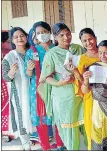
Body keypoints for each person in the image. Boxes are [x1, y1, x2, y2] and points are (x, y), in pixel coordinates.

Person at [37, 23, 84, 150]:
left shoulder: (78, 49)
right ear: (55, 37)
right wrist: (59, 83)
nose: (66, 37)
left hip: (81, 94)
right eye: (61, 35)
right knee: (70, 131)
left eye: (68, 34)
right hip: (64, 97)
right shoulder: (51, 54)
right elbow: (46, 78)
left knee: (85, 126)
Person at [24, 21, 65, 150]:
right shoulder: (32, 52)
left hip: (57, 85)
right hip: (38, 88)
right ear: (35, 35)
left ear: (50, 33)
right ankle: (45, 146)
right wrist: (30, 69)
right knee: (40, 117)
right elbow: (28, 74)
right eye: (39, 33)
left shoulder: (58, 49)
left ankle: (60, 144)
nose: (42, 35)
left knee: (58, 115)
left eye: (45, 32)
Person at [2, 27, 33, 150]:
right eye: (16, 37)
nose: (20, 38)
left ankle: (37, 138)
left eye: (22, 35)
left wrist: (30, 71)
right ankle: (26, 144)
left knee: (33, 115)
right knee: (22, 117)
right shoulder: (9, 57)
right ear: (12, 40)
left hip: (33, 89)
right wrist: (11, 72)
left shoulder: (32, 52)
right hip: (19, 92)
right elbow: (6, 78)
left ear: (26, 36)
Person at [75, 28, 100, 149]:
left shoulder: (104, 52)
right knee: (92, 126)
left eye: (90, 39)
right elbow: (80, 83)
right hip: (91, 96)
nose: (88, 43)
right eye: (84, 41)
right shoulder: (82, 59)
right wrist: (81, 75)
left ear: (95, 39)